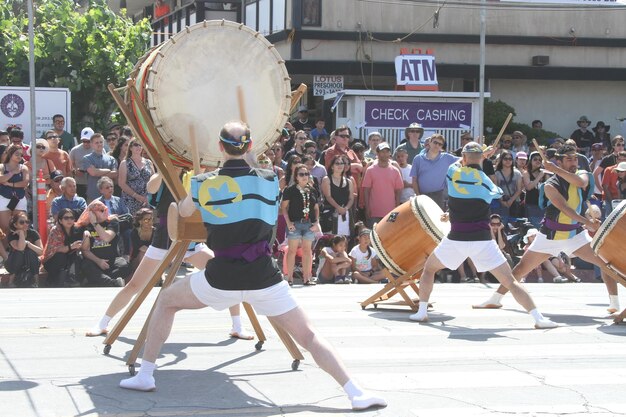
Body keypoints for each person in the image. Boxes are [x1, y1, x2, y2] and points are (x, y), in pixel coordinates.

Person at [119, 121, 387, 412]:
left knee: (167, 300)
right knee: (309, 335)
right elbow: (252, 169)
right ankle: (355, 392)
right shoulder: (270, 179)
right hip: (265, 277)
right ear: (249, 147)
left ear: (220, 148)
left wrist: (195, 183)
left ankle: (146, 375)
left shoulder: (204, 183)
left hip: (221, 277)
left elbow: (182, 214)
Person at [86, 173, 254, 341]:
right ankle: (103, 323)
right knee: (135, 285)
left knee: (228, 275)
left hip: (191, 242)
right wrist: (164, 169)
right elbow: (150, 187)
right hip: (164, 241)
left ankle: (237, 326)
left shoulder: (197, 175)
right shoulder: (164, 174)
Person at [408, 142, 557, 329]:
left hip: (456, 238)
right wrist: (481, 161)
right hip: (483, 241)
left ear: (463, 158)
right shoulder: (486, 181)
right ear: (480, 159)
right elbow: (498, 193)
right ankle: (538, 318)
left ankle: (422, 312)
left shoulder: (453, 173)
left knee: (429, 270)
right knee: (510, 281)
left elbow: (459, 164)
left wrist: (480, 156)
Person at [474, 144, 622, 314]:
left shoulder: (582, 174)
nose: (574, 162)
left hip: (575, 235)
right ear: (558, 161)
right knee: (521, 269)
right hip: (550, 236)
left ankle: (615, 304)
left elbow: (580, 183)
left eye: (575, 158)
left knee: (605, 263)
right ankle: (495, 299)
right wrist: (587, 222)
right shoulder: (550, 184)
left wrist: (557, 170)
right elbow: (565, 208)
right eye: (569, 159)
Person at [280, 164, 320, 286]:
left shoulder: (312, 190)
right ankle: (289, 278)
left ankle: (307, 278)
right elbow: (284, 207)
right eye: (301, 174)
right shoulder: (290, 190)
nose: (304, 176)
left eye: (306, 174)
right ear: (296, 176)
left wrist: (316, 222)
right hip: (295, 224)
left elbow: (316, 208)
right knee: (292, 251)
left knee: (307, 251)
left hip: (309, 224)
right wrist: (288, 223)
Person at [77, 200, 129, 287]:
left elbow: (107, 237)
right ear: (92, 213)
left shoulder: (113, 222)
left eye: (105, 209)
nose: (105, 211)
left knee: (125, 266)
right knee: (85, 265)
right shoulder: (86, 227)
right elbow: (85, 251)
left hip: (112, 260)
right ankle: (112, 283)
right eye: (101, 210)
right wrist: (99, 261)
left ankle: (98, 281)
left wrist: (95, 223)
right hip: (95, 261)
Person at [410, 133, 459, 210]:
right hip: (421, 196)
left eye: (440, 144)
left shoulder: (446, 157)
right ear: (430, 142)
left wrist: (480, 151)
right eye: (435, 142)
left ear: (442, 147)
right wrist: (418, 195)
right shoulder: (418, 159)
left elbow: (464, 159)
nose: (437, 145)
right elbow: (414, 180)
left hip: (438, 196)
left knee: (437, 221)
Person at [361, 142, 403, 229]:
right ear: (377, 153)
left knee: (390, 236)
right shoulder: (370, 170)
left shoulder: (395, 170)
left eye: (387, 151)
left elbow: (398, 191)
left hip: (391, 212)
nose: (385, 154)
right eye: (382, 152)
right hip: (373, 212)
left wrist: (397, 209)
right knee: (373, 237)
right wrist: (367, 208)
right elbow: (366, 190)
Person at [41, 208, 82, 287]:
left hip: (69, 259)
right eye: (66, 218)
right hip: (52, 260)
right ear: (60, 221)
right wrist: (72, 246)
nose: (69, 220)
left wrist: (86, 233)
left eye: (72, 218)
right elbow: (57, 249)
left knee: (78, 255)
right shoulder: (55, 230)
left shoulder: (76, 229)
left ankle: (72, 279)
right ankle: (51, 281)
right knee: (61, 256)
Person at [5, 212, 43, 288]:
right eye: (22, 222)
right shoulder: (12, 235)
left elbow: (40, 251)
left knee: (31, 252)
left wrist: (28, 243)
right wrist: (21, 234)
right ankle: (11, 281)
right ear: (15, 225)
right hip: (13, 263)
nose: (25, 224)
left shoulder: (33, 233)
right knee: (19, 253)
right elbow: (20, 248)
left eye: (27, 222)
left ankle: (36, 282)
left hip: (30, 262)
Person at [0, 145, 30, 238]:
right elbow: (1, 179)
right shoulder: (2, 166)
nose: (19, 156)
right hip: (4, 198)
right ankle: (5, 251)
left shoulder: (23, 168)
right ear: (10, 153)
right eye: (17, 154)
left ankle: (19, 250)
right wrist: (12, 173)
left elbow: (25, 183)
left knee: (20, 226)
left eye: (21, 154)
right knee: (5, 227)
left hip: (19, 198)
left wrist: (9, 184)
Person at [320, 155, 354, 235]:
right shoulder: (327, 179)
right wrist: (338, 207)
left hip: (345, 214)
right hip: (330, 214)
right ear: (332, 166)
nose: (340, 165)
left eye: (342, 163)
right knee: (331, 239)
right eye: (337, 163)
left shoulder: (349, 181)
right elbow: (328, 196)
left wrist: (345, 208)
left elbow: (351, 198)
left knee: (345, 239)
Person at [118, 138, 153, 215]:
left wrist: (148, 197)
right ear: (130, 148)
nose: (138, 147)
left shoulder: (149, 162)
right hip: (130, 200)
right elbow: (121, 183)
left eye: (140, 145)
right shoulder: (125, 163)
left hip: (146, 200)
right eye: (136, 145)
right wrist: (136, 196)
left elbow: (153, 181)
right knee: (132, 224)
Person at [82, 133, 118, 202]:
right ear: (92, 144)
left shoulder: (111, 159)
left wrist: (97, 172)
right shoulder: (87, 158)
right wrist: (108, 170)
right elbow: (93, 173)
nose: (99, 144)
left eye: (101, 142)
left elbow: (114, 174)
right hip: (93, 197)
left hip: (109, 197)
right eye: (96, 143)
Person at [493, 149, 524, 223]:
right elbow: (495, 189)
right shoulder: (497, 173)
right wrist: (502, 201)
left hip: (514, 202)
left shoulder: (517, 173)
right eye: (505, 159)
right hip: (500, 202)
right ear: (501, 160)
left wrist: (510, 200)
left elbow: (519, 189)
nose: (508, 161)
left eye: (510, 159)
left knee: (513, 225)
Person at [522, 151, 549, 228]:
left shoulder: (545, 173)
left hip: (543, 204)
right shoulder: (526, 173)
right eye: (535, 159)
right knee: (533, 227)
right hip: (531, 204)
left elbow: (548, 187)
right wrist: (539, 176)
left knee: (543, 227)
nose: (538, 161)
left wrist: (545, 175)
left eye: (540, 160)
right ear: (530, 161)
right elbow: (528, 187)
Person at [69, 127, 94, 198]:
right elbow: (70, 165)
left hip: (94, 183)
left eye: (88, 141)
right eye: (84, 141)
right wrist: (74, 171)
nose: (86, 143)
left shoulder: (98, 149)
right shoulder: (74, 150)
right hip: (79, 183)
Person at [129, 208, 154, 272]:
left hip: (152, 259)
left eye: (151, 219)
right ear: (140, 221)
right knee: (142, 253)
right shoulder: (134, 232)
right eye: (146, 220)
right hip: (137, 261)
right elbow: (142, 248)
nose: (150, 222)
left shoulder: (156, 232)